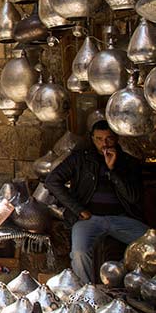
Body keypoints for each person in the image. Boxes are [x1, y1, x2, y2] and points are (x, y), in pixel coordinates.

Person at [46, 120, 148, 283]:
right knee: (79, 253)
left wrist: (112, 170)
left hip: (122, 218)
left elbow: (133, 197)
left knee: (152, 245)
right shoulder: (80, 159)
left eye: (108, 139)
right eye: (99, 139)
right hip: (89, 218)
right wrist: (78, 209)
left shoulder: (129, 162)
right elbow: (52, 181)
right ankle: (87, 293)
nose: (104, 144)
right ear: (92, 139)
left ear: (116, 138)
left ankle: (120, 277)